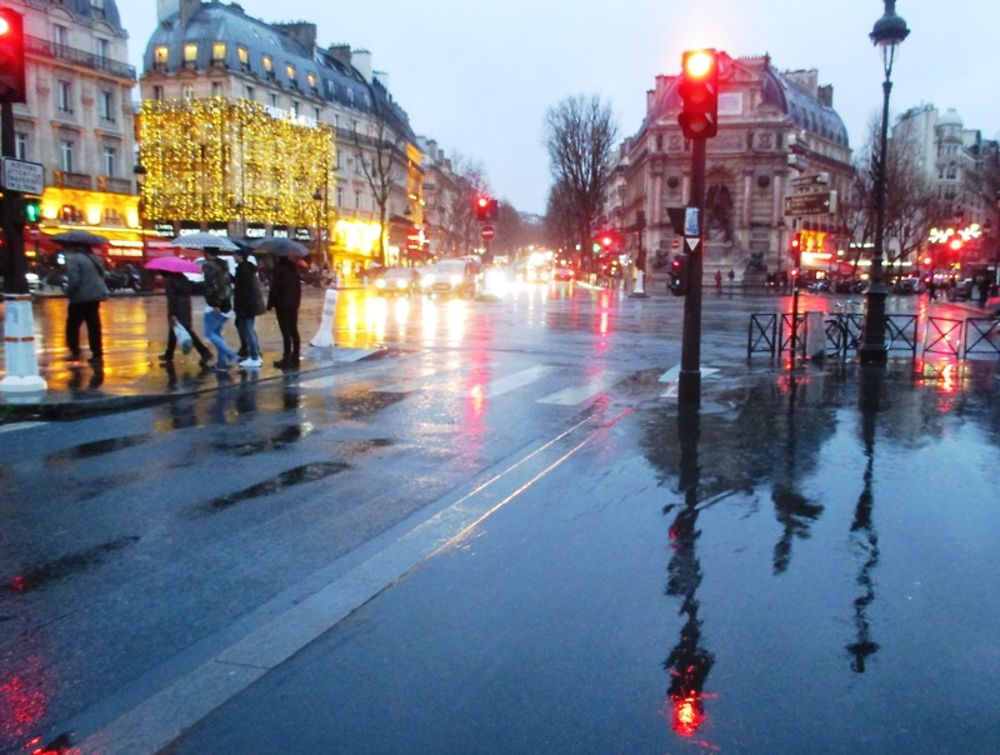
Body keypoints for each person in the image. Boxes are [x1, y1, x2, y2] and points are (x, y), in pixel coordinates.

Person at [63, 241, 109, 364]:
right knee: (94, 326)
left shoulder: (74, 259)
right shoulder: (96, 259)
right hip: (95, 296)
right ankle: (97, 353)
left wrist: (68, 292)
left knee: (72, 326)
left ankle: (75, 352)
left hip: (80, 297)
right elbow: (102, 276)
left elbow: (74, 280)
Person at [160, 272, 212, 367]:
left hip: (177, 309)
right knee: (175, 330)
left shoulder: (169, 281)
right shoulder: (183, 278)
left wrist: (172, 314)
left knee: (186, 330)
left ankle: (205, 352)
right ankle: (169, 354)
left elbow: (171, 299)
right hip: (185, 307)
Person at [201, 247, 238, 370]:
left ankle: (231, 354)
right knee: (216, 333)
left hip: (216, 304)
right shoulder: (223, 265)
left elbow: (210, 287)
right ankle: (222, 362)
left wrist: (214, 303)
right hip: (226, 302)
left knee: (210, 334)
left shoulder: (210, 267)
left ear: (206, 253)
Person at [267, 256, 302, 369]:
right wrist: (297, 302)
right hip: (293, 304)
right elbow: (298, 287)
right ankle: (295, 356)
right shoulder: (294, 269)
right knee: (293, 330)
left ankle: (286, 357)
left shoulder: (279, 269)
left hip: (282, 304)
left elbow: (275, 288)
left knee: (285, 332)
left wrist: (270, 303)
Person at [234, 250, 265, 369]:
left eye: (235, 254)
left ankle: (254, 357)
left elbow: (244, 290)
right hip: (248, 305)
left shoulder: (244, 270)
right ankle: (255, 354)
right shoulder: (246, 269)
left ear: (240, 256)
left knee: (248, 330)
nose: (233, 257)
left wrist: (243, 307)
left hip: (246, 306)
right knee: (248, 329)